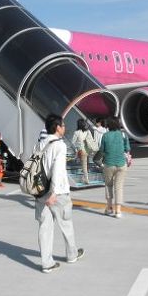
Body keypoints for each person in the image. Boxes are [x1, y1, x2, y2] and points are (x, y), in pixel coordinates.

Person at [34, 114, 84, 273]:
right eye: (63, 125)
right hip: (58, 192)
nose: (65, 128)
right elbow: (57, 170)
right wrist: (54, 192)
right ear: (57, 127)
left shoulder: (39, 144)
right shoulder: (60, 145)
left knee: (45, 227)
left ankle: (46, 263)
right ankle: (71, 254)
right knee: (66, 223)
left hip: (40, 191)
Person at [94, 116, 131, 218]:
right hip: (121, 164)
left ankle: (109, 207)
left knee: (108, 185)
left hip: (109, 164)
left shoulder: (105, 136)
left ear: (108, 125)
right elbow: (127, 148)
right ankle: (118, 211)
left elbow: (102, 150)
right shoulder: (123, 134)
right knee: (118, 187)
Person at [71, 118, 96, 184]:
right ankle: (84, 178)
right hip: (87, 150)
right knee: (85, 164)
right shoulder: (87, 131)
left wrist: (76, 150)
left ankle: (86, 179)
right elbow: (91, 140)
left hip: (81, 151)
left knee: (84, 165)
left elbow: (72, 143)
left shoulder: (76, 132)